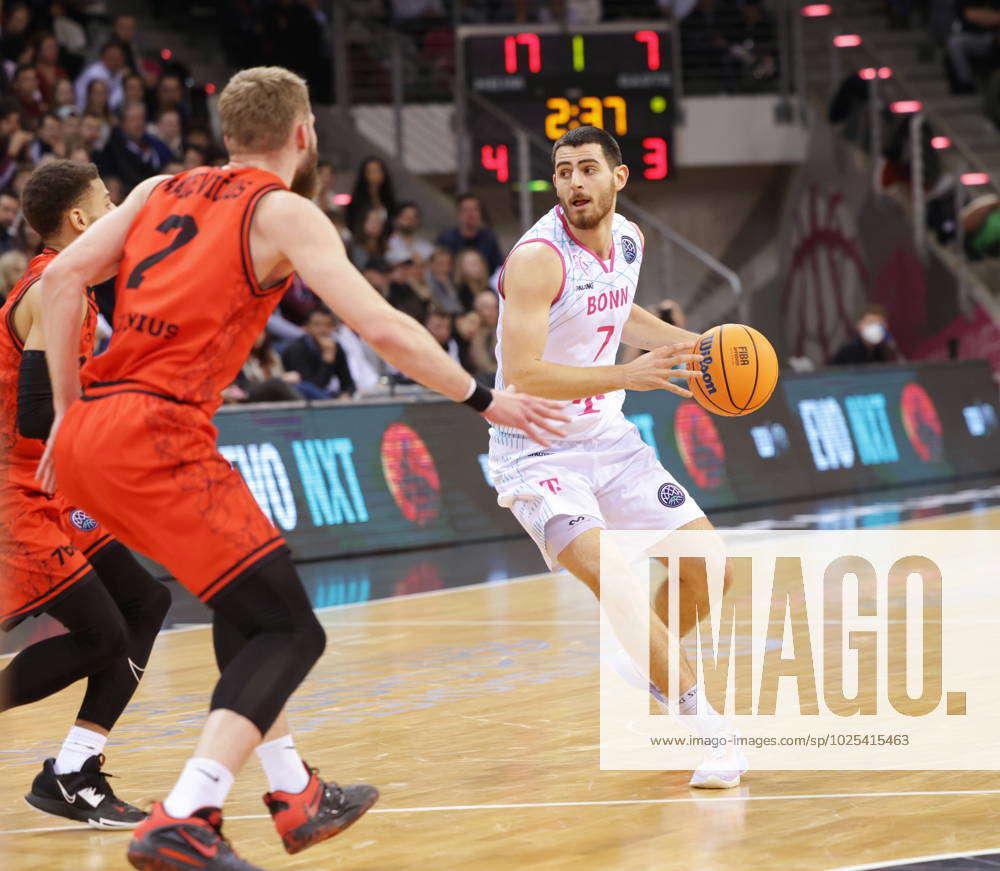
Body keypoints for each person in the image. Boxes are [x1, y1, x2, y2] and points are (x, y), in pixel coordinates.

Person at [36, 66, 567, 871]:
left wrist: (69, 411)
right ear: (304, 132)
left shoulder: (154, 187)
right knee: (291, 627)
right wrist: (484, 399)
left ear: (226, 133)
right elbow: (385, 330)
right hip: (157, 431)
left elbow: (66, 273)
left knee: (245, 603)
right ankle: (187, 810)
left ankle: (295, 791)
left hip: (92, 430)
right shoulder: (282, 211)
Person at [488, 125, 746, 789]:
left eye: (587, 169)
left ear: (617, 178)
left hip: (609, 440)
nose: (574, 182)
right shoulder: (537, 259)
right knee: (619, 582)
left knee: (712, 572)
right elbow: (522, 373)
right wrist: (628, 377)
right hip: (538, 453)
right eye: (564, 171)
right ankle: (709, 731)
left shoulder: (629, 239)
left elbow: (620, 317)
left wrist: (700, 347)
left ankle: (647, 658)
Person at [0, 160, 170, 828]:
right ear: (78, 220)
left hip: (51, 482)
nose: (116, 213)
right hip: (19, 486)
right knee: (102, 634)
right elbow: (42, 414)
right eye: (107, 202)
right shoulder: (51, 286)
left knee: (145, 602)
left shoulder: (71, 285)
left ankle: (73, 770)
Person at [281, 306, 356, 399]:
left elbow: (348, 383)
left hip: (326, 396)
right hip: (300, 400)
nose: (323, 329)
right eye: (317, 325)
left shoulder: (336, 347)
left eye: (328, 325)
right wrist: (328, 359)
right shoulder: (296, 349)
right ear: (307, 327)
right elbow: (312, 388)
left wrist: (346, 394)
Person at [436, 192, 504, 273]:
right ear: (459, 214)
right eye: (466, 210)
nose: (470, 214)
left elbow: (498, 266)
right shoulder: (446, 239)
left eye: (474, 209)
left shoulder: (489, 238)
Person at [829, 303, 899, 365]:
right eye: (870, 322)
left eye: (879, 323)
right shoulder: (848, 352)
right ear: (859, 325)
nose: (875, 327)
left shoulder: (887, 351)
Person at [345, 155, 396, 237]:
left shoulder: (388, 197)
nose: (374, 175)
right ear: (364, 174)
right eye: (370, 172)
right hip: (362, 241)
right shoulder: (358, 199)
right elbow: (352, 222)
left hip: (384, 242)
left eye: (378, 171)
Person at [386, 201, 434, 266]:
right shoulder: (386, 243)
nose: (410, 220)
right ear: (395, 220)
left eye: (415, 217)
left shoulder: (426, 245)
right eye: (406, 216)